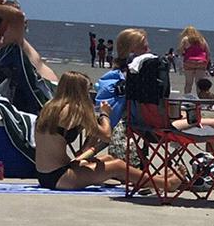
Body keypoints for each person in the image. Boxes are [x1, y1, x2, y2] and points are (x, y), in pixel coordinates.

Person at [32, 71, 167, 192]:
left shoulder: (50, 107)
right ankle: (164, 183)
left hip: (45, 173)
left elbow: (88, 142)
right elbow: (107, 136)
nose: (90, 94)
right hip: (60, 177)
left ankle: (151, 181)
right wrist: (105, 114)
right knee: (117, 166)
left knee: (108, 159)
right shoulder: (75, 110)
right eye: (88, 90)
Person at [0, 0, 56, 115]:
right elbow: (18, 17)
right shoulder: (13, 40)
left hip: (42, 90)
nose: (25, 20)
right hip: (46, 92)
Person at [178, 27, 212, 98]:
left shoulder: (185, 39)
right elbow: (208, 52)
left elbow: (180, 51)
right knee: (199, 84)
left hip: (189, 62)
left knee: (188, 83)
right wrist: (206, 63)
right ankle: (200, 101)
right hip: (201, 62)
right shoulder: (202, 39)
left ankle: (187, 99)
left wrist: (184, 54)